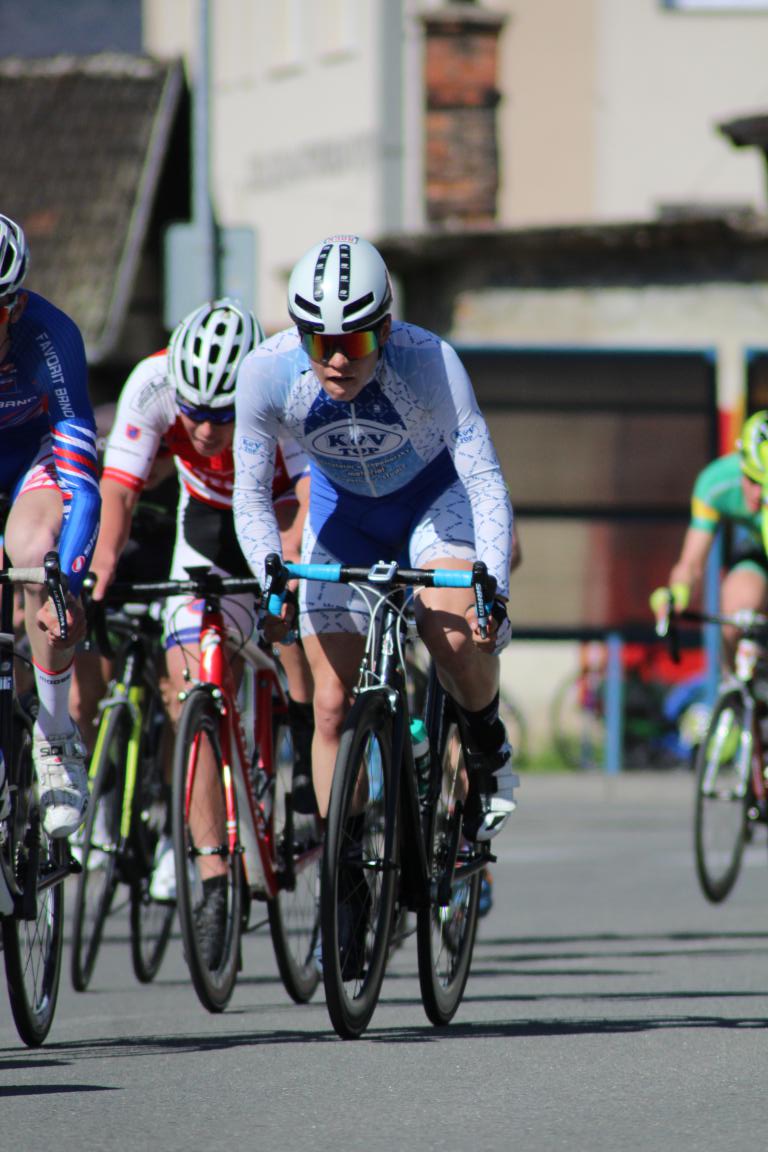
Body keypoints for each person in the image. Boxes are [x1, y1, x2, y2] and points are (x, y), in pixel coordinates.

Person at [233, 234, 518, 844]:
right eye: (320, 343)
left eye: (355, 342)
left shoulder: (429, 360)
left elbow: (483, 479)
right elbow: (250, 494)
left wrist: (493, 590)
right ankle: (347, 884)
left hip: (432, 502)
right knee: (330, 705)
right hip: (344, 513)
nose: (337, 361)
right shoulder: (266, 372)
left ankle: (485, 740)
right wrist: (271, 579)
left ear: (385, 330)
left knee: (451, 636)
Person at [83, 297, 313, 907]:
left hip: (279, 509)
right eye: (194, 411)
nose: (207, 430)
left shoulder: (283, 389)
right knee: (192, 683)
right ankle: (211, 876)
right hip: (208, 518)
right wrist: (100, 571)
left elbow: (308, 501)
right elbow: (118, 492)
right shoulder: (152, 381)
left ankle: (306, 749)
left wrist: (285, 579)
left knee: (294, 631)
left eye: (223, 413)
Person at [0, 212, 100, 838]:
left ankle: (56, 734)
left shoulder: (49, 337)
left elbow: (82, 483)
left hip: (33, 461)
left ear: (13, 308)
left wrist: (69, 584)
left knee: (36, 554)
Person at [650, 409, 768, 668]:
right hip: (757, 555)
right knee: (741, 602)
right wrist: (677, 593)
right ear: (741, 464)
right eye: (753, 481)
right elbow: (691, 564)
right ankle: (734, 681)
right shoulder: (715, 484)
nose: (759, 494)